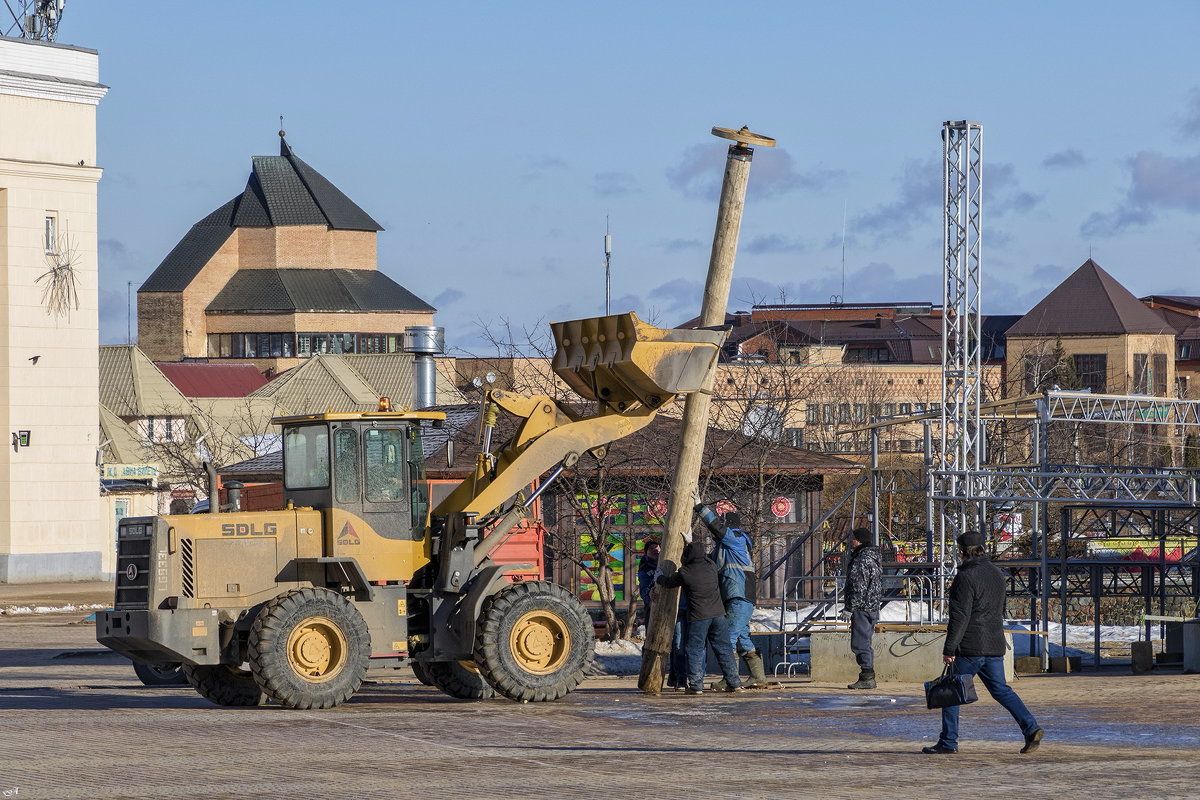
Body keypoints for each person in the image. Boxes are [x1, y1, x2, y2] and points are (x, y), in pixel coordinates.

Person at [923, 531, 1044, 755]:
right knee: (1001, 690)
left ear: (961, 551)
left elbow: (960, 616)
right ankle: (1031, 727)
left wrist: (950, 648)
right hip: (994, 642)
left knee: (951, 691)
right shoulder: (997, 574)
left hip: (970, 645)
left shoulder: (965, 577)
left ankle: (948, 742)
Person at [693, 495, 768, 689]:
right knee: (742, 638)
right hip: (735, 598)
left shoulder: (736, 540)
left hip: (739, 596)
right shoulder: (723, 549)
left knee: (728, 639)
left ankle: (729, 679)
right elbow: (703, 561)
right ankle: (758, 677)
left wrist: (701, 508)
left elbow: (716, 527)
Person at [656, 533, 743, 695]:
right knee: (723, 649)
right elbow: (701, 555)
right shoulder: (711, 566)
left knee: (694, 650)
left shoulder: (685, 572)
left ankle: (696, 686)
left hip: (699, 616)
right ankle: (735, 683)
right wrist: (691, 542)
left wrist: (659, 577)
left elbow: (668, 583)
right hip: (718, 615)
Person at [638, 538, 688, 690]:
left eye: (658, 549)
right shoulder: (645, 567)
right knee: (652, 641)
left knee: (676, 643)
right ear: (646, 552)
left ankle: (676, 677)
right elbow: (644, 588)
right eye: (652, 550)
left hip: (675, 607)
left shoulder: (669, 563)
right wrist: (649, 593)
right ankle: (649, 676)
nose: (656, 552)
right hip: (653, 609)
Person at [843, 527, 882, 690]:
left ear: (858, 540)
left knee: (860, 643)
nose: (848, 540)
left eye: (851, 537)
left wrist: (850, 607)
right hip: (871, 606)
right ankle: (867, 675)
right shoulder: (872, 557)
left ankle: (867, 676)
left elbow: (858, 587)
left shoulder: (861, 559)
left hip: (862, 607)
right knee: (864, 641)